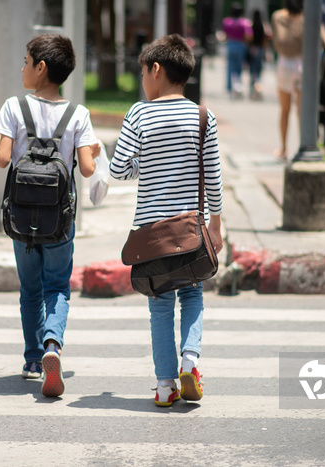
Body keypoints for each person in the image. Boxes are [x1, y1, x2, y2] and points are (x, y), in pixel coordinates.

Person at [110, 34, 224, 407]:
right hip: (193, 229)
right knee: (193, 293)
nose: (143, 80)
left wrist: (146, 162)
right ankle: (190, 362)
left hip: (152, 235)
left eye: (143, 72)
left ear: (155, 70)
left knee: (159, 304)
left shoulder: (139, 113)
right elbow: (214, 176)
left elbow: (118, 170)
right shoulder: (203, 116)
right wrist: (216, 226)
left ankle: (165, 386)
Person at [0, 34, 100, 398]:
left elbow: (4, 159)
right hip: (60, 221)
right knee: (57, 287)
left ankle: (34, 360)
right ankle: (53, 345)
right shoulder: (78, 115)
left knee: (30, 290)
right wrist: (94, 150)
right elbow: (86, 169)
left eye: (25, 61)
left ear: (41, 67)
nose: (22, 68)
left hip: (21, 222)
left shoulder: (12, 107)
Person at [271, 0, 325, 160]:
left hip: (284, 64)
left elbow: (278, 40)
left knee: (284, 110)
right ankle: (304, 147)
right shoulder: (308, 17)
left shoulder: (277, 16)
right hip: (302, 65)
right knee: (302, 111)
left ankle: (283, 149)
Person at [222, 3, 252, 98]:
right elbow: (249, 36)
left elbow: (225, 35)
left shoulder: (227, 21)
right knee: (239, 68)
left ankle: (230, 88)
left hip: (231, 44)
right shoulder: (244, 22)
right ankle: (238, 87)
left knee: (230, 67)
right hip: (240, 45)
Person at [247, 9, 270, 100]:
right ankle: (258, 89)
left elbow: (249, 38)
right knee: (259, 71)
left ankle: (252, 90)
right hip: (260, 49)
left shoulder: (251, 25)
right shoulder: (263, 26)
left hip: (253, 48)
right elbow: (267, 38)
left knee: (252, 71)